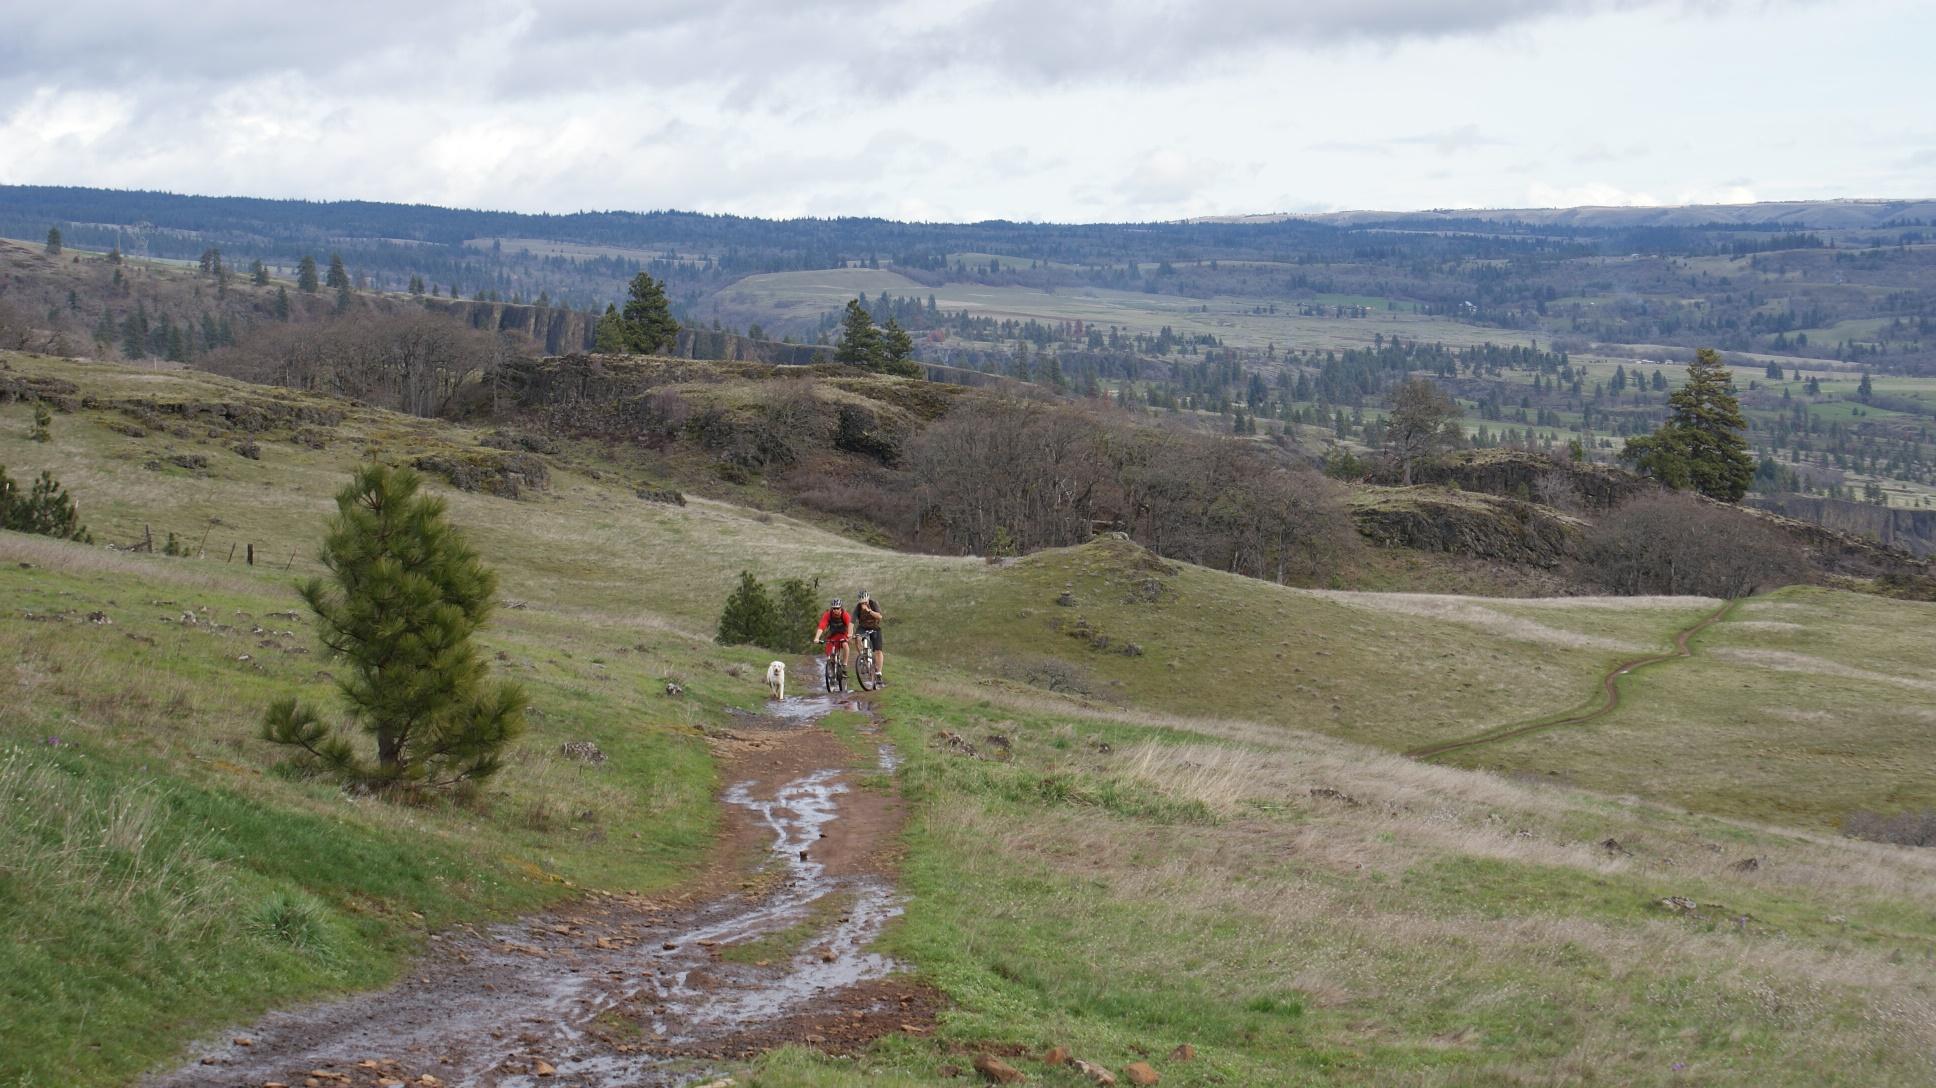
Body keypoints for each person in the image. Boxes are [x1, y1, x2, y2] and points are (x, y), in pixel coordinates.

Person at [812, 597, 854, 676]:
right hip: (832, 636)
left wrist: (850, 634)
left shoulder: (845, 615)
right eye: (834, 608)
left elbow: (849, 624)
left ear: (841, 608)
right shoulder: (828, 614)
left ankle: (844, 665)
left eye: (837, 608)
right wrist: (817, 638)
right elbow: (822, 626)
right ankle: (832, 673)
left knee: (845, 645)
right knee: (830, 655)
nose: (835, 610)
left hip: (843, 635)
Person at [856, 590, 885, 686]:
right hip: (863, 627)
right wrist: (849, 633)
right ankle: (863, 658)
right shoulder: (857, 607)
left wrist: (869, 610)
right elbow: (852, 621)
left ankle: (879, 673)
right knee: (858, 638)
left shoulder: (874, 604)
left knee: (878, 651)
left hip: (875, 627)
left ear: (868, 600)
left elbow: (879, 617)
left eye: (865, 602)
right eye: (862, 603)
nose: (863, 604)